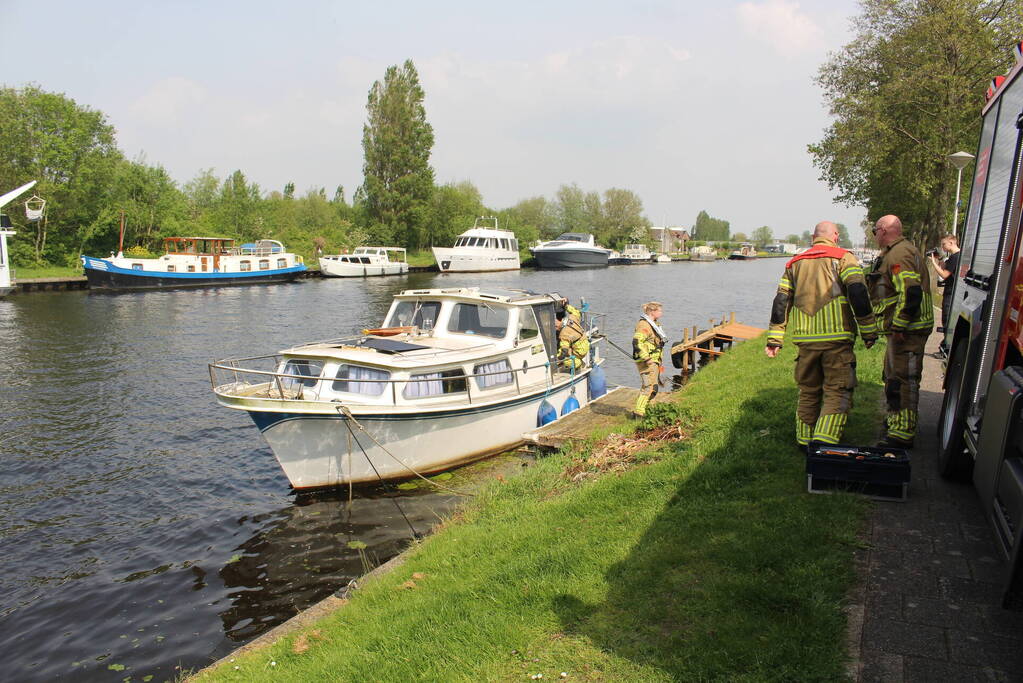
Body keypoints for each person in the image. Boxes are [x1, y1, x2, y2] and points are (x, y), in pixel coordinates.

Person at [765, 221, 878, 450]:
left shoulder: (794, 263)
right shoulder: (844, 258)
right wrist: (868, 330)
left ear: (812, 238)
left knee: (808, 391)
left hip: (806, 342)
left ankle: (804, 442)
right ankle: (823, 444)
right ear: (835, 236)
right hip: (836, 339)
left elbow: (781, 303)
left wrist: (775, 339)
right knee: (838, 390)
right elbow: (858, 292)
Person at [870, 214, 934, 447]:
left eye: (875, 230)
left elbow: (911, 292)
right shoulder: (896, 252)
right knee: (892, 376)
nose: (874, 235)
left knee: (903, 379)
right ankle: (896, 420)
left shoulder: (899, 254)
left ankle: (902, 434)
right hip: (904, 329)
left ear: (885, 231)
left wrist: (899, 325)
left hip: (907, 331)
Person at [633, 302, 668, 418]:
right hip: (647, 361)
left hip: (655, 361)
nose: (662, 313)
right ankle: (639, 414)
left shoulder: (654, 324)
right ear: (652, 312)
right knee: (648, 387)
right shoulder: (644, 325)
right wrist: (647, 358)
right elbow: (637, 342)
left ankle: (644, 409)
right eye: (660, 311)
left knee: (654, 388)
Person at [927, 234, 961, 332]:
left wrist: (933, 263)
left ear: (951, 242)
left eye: (944, 244)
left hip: (950, 293)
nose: (942, 247)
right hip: (953, 292)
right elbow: (946, 268)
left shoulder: (955, 258)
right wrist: (940, 259)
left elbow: (944, 275)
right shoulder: (956, 256)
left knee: (946, 319)